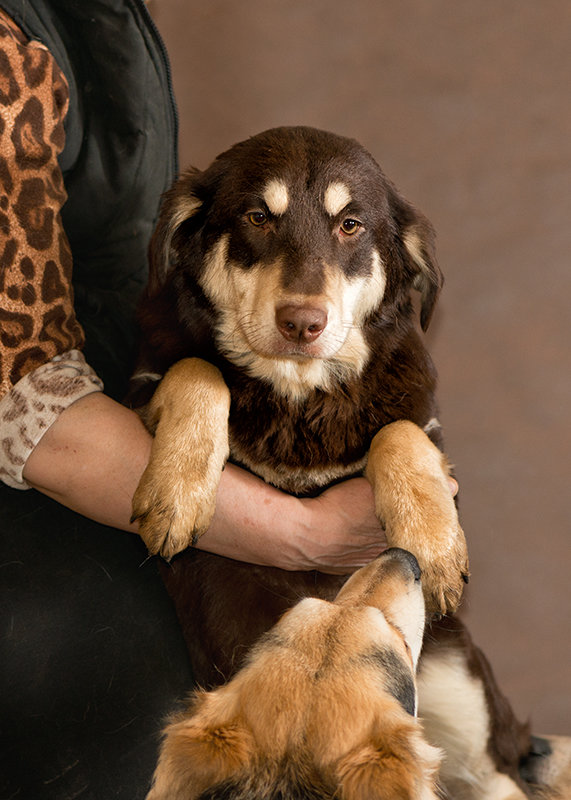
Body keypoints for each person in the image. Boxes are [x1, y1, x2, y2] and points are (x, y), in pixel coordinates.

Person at [0, 2, 385, 797]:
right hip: (38, 519)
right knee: (150, 706)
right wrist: (304, 533)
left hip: (120, 429)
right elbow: (20, 407)